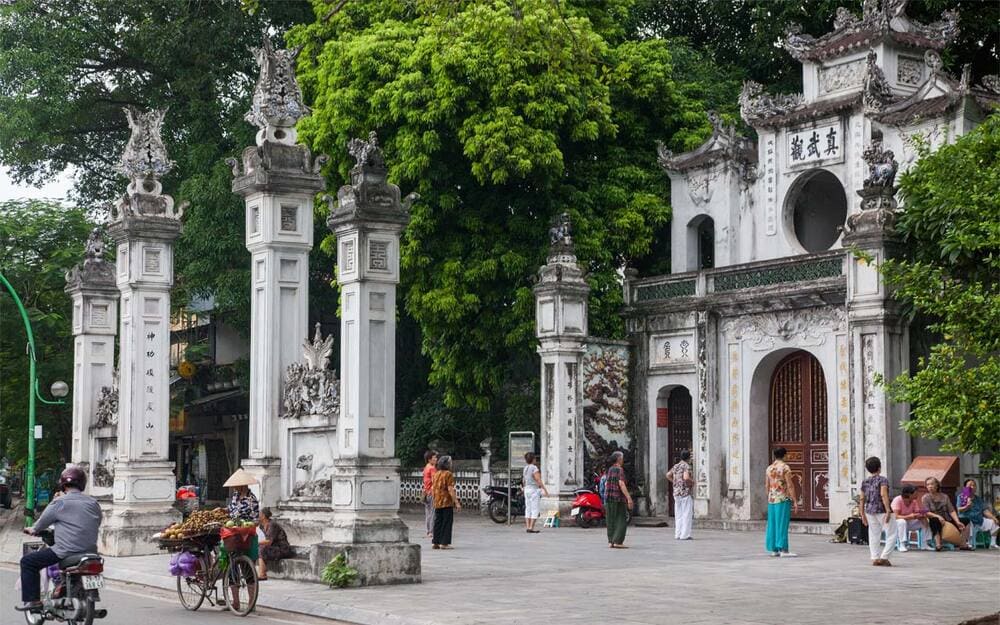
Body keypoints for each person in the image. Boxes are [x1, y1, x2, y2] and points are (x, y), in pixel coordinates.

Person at [17, 466, 102, 612]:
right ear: (82, 483)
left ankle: (33, 601)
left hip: (65, 551)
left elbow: (41, 523)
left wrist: (33, 529)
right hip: (90, 552)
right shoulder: (93, 503)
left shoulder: (59, 502)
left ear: (63, 484)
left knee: (28, 562)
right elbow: (97, 521)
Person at [858, 456, 896, 566]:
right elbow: (883, 494)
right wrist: (888, 510)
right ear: (879, 467)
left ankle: (874, 557)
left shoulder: (865, 481)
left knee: (874, 534)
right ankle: (885, 556)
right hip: (882, 509)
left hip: (869, 510)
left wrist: (862, 513)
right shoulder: (882, 480)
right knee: (892, 533)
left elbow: (861, 498)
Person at [765, 447, 799, 557]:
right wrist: (794, 500)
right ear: (784, 455)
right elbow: (789, 485)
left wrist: (769, 496)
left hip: (772, 499)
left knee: (773, 524)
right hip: (783, 498)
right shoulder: (785, 468)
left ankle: (774, 549)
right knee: (782, 524)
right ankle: (784, 550)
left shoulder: (769, 468)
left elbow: (767, 485)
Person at [922, 477, 970, 551]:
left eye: (932, 484)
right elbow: (926, 512)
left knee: (966, 520)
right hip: (934, 518)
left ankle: (963, 544)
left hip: (947, 519)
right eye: (928, 485)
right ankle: (938, 544)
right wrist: (938, 516)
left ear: (937, 485)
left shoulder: (945, 497)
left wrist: (957, 521)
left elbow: (951, 511)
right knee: (934, 520)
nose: (930, 486)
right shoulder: (925, 498)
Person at [956, 479, 999, 549]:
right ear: (965, 487)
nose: (972, 487)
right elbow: (959, 510)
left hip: (979, 520)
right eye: (970, 485)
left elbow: (985, 511)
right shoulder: (961, 497)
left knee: (994, 523)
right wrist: (967, 506)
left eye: (974, 485)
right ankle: (968, 543)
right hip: (968, 519)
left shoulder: (978, 499)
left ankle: (993, 544)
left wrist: (994, 518)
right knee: (968, 523)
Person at [431, 455, 461, 549]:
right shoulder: (448, 474)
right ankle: (444, 543)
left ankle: (435, 542)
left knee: (438, 521)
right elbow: (450, 489)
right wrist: (456, 502)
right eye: (450, 462)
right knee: (447, 522)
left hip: (437, 501)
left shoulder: (436, 474)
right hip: (446, 501)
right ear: (447, 464)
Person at [605, 451, 633, 549]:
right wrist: (628, 498)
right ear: (619, 459)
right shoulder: (619, 470)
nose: (623, 460)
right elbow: (621, 484)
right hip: (618, 498)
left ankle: (611, 541)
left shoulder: (610, 469)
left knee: (611, 520)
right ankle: (618, 541)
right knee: (621, 519)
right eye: (622, 458)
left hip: (608, 498)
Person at [257, 508, 293, 580]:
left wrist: (257, 543)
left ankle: (262, 574)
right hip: (272, 548)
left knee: (261, 549)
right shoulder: (261, 526)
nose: (258, 516)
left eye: (259, 514)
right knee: (257, 549)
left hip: (282, 549)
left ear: (263, 516)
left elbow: (269, 541)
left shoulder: (272, 525)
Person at [891, 485, 929, 552]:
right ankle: (902, 544)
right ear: (909, 494)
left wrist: (921, 515)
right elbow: (896, 516)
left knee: (924, 520)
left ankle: (924, 544)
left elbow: (916, 512)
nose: (917, 494)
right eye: (915, 493)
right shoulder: (898, 500)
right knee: (902, 521)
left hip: (909, 522)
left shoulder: (914, 501)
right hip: (896, 523)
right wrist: (909, 516)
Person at [666, 449, 694, 540]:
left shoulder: (676, 466)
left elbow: (668, 475)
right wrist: (692, 482)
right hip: (684, 492)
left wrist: (675, 482)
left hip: (676, 492)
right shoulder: (686, 466)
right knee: (686, 513)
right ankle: (685, 535)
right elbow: (686, 478)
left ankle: (678, 534)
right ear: (688, 458)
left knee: (678, 514)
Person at [522, 452, 549, 533]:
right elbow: (538, 480)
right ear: (533, 459)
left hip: (527, 489)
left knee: (528, 508)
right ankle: (531, 527)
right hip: (534, 490)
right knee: (535, 509)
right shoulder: (534, 468)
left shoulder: (525, 468)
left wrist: (524, 487)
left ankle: (528, 526)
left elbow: (524, 480)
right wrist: (545, 490)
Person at [422, 450, 438, 539]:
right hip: (432, 492)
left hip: (426, 492)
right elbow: (434, 481)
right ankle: (431, 531)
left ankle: (428, 531)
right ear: (429, 459)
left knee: (428, 512)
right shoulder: (432, 468)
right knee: (433, 512)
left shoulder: (426, 467)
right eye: (434, 458)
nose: (436, 459)